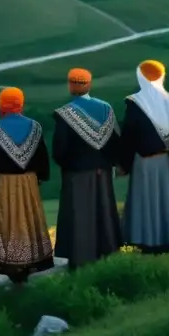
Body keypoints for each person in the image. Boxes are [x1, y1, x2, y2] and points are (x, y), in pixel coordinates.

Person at [0, 87, 54, 285]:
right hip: (29, 182)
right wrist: (38, 178)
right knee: (29, 220)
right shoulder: (35, 127)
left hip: (4, 183)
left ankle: (10, 264)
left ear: (1, 105)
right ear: (20, 104)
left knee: (7, 221)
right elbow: (42, 158)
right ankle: (32, 260)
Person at [52, 68, 123, 270]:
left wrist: (68, 167)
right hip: (102, 172)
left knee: (79, 215)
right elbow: (115, 141)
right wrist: (107, 163)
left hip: (77, 174)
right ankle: (107, 252)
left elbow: (60, 149)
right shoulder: (106, 108)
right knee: (103, 212)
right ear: (89, 85)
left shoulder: (65, 114)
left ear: (71, 85)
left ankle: (80, 259)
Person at [119, 60, 169, 254]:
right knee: (166, 200)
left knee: (147, 201)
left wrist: (124, 164)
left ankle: (148, 242)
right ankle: (167, 240)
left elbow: (128, 136)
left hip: (145, 163)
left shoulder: (135, 103)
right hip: (168, 161)